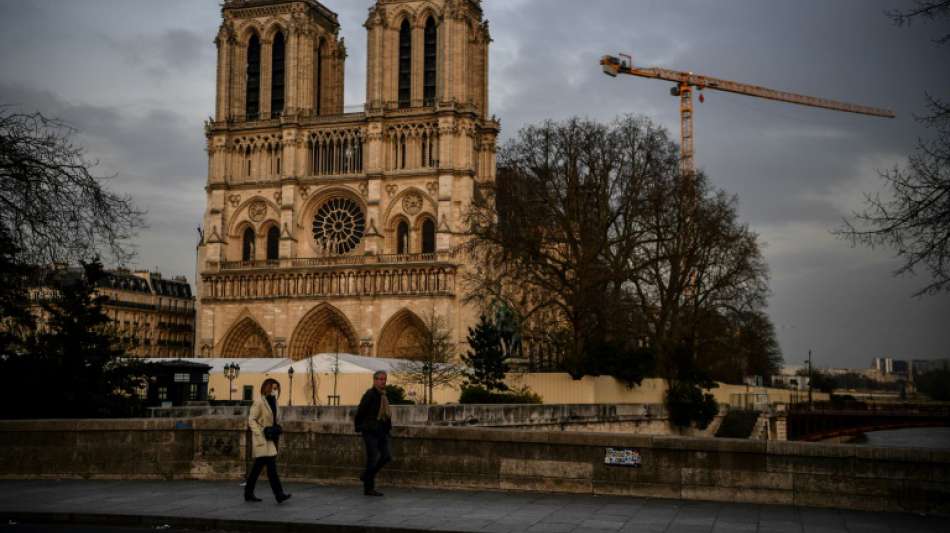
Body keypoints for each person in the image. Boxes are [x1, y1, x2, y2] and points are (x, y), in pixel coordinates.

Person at [244, 378, 292, 504]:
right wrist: (259, 433)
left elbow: (276, 419)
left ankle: (248, 493)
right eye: (273, 388)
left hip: (271, 438)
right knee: (271, 469)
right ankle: (279, 494)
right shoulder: (259, 402)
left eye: (277, 388)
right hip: (263, 439)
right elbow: (251, 419)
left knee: (258, 468)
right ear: (267, 387)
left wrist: (277, 428)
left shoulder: (274, 402)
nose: (275, 390)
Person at [354, 370, 392, 496]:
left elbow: (386, 415)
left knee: (386, 456)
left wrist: (388, 429)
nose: (382, 382)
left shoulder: (383, 396)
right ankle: (368, 488)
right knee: (372, 458)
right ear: (374, 380)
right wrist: (359, 427)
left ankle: (366, 475)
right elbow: (360, 412)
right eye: (380, 379)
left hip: (381, 431)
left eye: (384, 379)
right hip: (370, 430)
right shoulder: (370, 395)